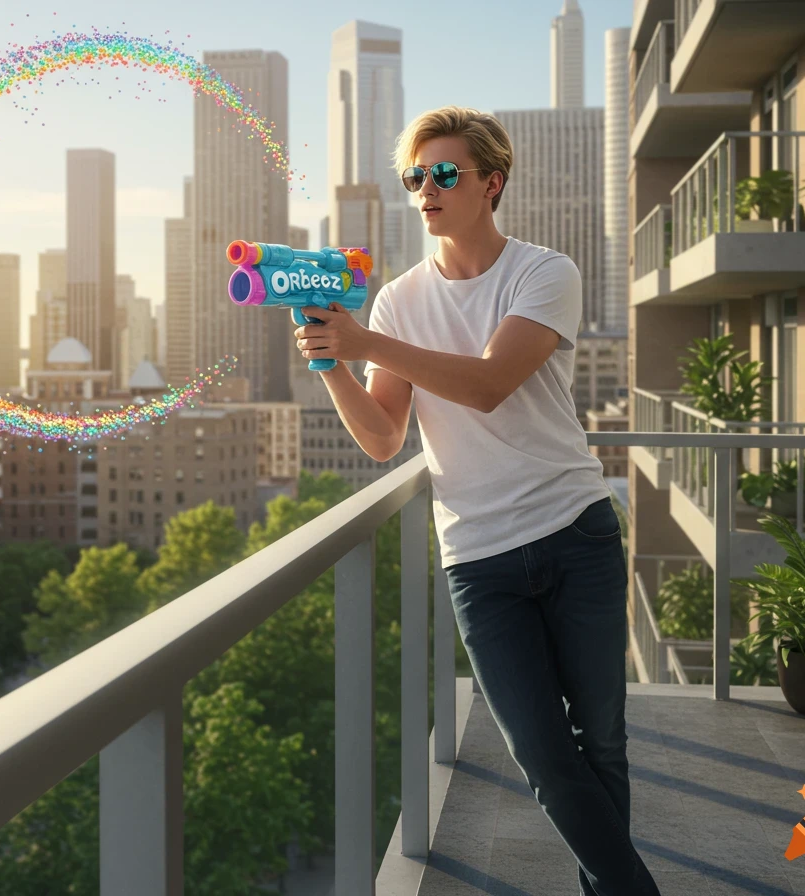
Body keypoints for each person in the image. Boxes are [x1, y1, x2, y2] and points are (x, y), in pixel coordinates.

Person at [291, 105, 661, 896]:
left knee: (601, 742)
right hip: (479, 561)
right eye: (415, 176)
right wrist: (332, 362)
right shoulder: (396, 301)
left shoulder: (542, 272)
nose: (426, 188)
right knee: (541, 753)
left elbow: (490, 386)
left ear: (492, 182)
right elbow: (385, 439)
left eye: (444, 173)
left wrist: (364, 343)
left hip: (575, 534)